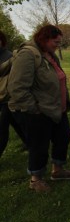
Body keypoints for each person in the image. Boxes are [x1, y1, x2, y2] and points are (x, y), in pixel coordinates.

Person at [7, 25, 70, 192]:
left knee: (62, 137)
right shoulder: (27, 55)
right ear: (44, 39)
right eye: (55, 41)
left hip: (56, 108)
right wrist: (34, 109)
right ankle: (36, 179)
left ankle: (57, 170)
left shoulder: (50, 54)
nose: (58, 45)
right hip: (38, 111)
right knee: (39, 145)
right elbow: (17, 88)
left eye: (60, 42)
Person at [0, 30, 27, 158]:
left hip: (7, 96)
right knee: (16, 122)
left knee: (2, 128)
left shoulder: (10, 56)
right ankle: (29, 142)